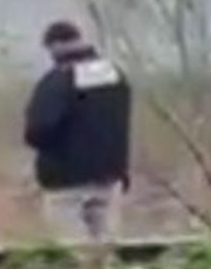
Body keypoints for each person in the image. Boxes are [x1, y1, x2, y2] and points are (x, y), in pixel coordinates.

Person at [24, 20, 131, 245]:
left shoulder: (57, 81)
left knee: (74, 251)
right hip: (109, 179)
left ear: (54, 46)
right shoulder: (114, 75)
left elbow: (38, 130)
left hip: (65, 183)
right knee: (105, 249)